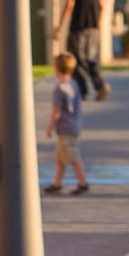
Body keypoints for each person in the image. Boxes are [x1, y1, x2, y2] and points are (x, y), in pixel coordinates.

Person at [62, 0, 108, 101]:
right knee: (90, 58)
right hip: (93, 27)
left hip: (78, 27)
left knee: (76, 58)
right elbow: (102, 6)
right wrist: (98, 24)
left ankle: (82, 90)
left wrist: (59, 25)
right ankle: (100, 85)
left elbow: (69, 4)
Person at [46, 53, 88, 195]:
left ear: (56, 68)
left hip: (65, 127)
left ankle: (83, 182)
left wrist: (50, 127)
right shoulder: (73, 84)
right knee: (61, 157)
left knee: (73, 156)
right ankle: (56, 183)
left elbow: (56, 110)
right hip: (74, 125)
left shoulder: (60, 89)